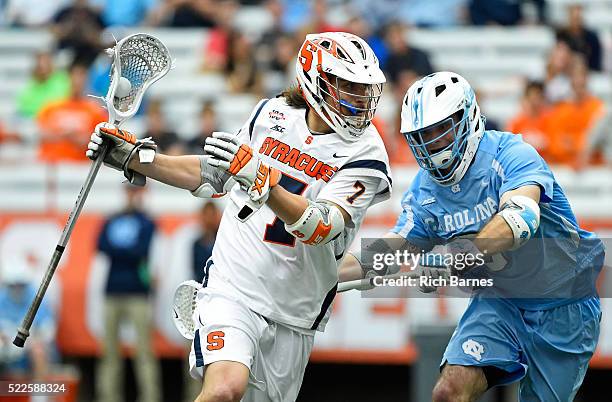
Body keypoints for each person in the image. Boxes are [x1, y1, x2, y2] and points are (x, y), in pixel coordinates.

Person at [87, 31, 390, 402]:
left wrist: (265, 183)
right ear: (315, 81)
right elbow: (214, 175)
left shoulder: (368, 152)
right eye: (347, 86)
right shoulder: (271, 114)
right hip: (234, 286)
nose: (359, 100)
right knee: (223, 390)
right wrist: (138, 158)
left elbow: (322, 226)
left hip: (295, 312)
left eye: (363, 89)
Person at [339, 71, 604, 401]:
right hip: (501, 301)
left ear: (467, 118)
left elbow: (519, 219)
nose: (431, 144)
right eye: (421, 136)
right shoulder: (426, 189)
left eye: (439, 130)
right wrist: (328, 276)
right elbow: (393, 250)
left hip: (564, 303)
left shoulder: (511, 153)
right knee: (449, 391)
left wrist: (457, 257)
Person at [96, 184, 160, 402]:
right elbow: (100, 245)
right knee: (109, 353)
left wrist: (119, 250)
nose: (132, 196)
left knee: (143, 351)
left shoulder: (147, 221)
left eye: (136, 192)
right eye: (129, 192)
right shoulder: (112, 219)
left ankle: (150, 397)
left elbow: (141, 250)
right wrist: (128, 251)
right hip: (113, 291)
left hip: (137, 292)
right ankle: (108, 396)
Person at [37, 62, 107, 163]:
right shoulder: (51, 107)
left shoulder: (96, 110)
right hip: (52, 163)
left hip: (80, 165)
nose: (77, 81)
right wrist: (63, 135)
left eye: (81, 77)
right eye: (74, 76)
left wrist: (83, 139)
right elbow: (41, 133)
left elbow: (103, 140)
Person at [192, 202, 221, 284]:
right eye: (206, 215)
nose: (209, 219)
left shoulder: (222, 242)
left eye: (212, 215)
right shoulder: (196, 244)